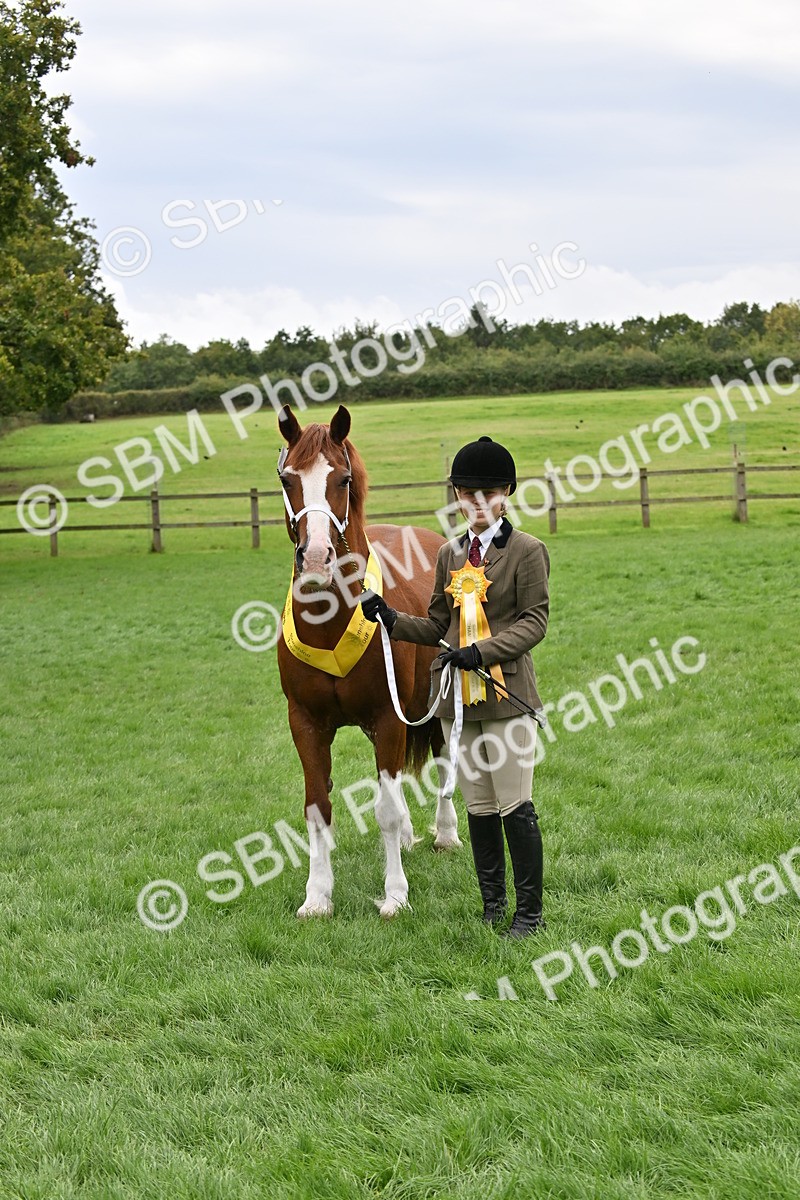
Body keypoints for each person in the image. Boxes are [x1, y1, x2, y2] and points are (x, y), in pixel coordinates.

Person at [360, 435, 550, 937]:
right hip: (456, 701)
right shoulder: (449, 554)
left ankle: (529, 915)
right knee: (479, 807)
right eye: (467, 494)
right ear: (458, 497)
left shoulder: (527, 551)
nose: (478, 503)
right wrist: (391, 618)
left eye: (488, 493)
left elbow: (534, 622)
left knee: (514, 805)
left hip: (506, 696)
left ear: (506, 493)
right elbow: (436, 626)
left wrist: (480, 652)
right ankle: (493, 907)